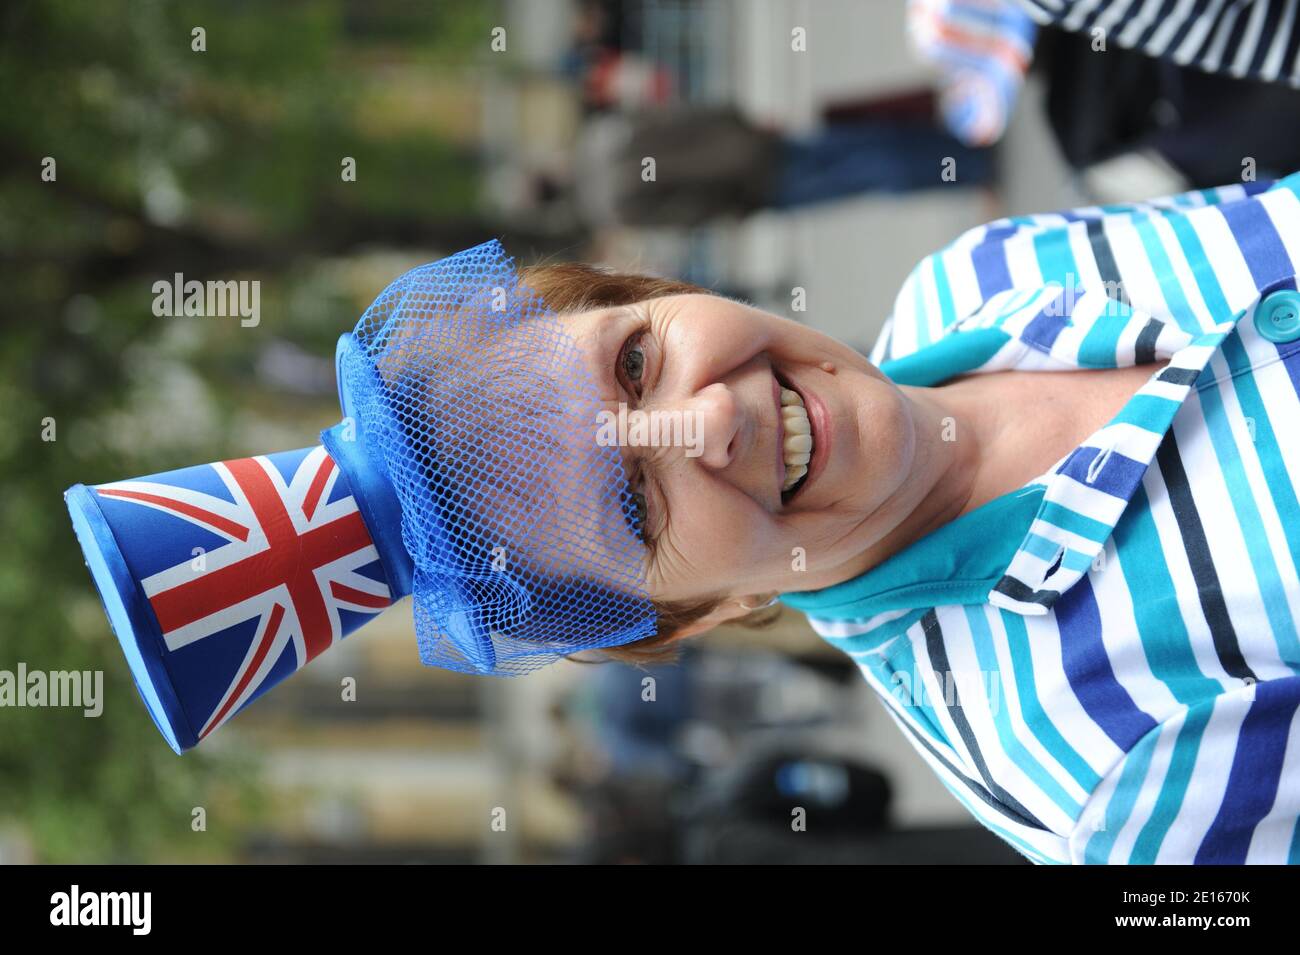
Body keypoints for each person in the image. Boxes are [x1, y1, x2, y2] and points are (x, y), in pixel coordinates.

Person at [525, 171, 1300, 865]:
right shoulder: (1093, 778)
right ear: (699, 613)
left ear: (656, 291)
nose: (714, 415)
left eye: (633, 362)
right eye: (633, 506)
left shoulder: (976, 273)